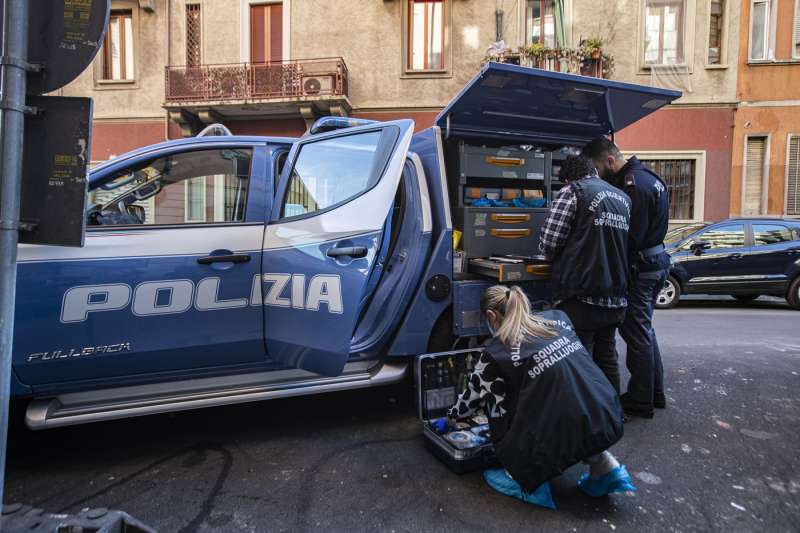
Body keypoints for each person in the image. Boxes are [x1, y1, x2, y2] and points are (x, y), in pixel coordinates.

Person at [441, 285, 636, 509]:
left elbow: (469, 401)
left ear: (491, 316)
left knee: (517, 411)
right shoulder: (558, 319)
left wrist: (450, 418)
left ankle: (527, 482)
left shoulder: (496, 353)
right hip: (606, 415)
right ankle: (606, 468)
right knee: (566, 399)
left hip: (562, 431)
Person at [583, 136, 670, 419]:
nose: (597, 174)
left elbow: (629, 237)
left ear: (609, 159)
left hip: (642, 267)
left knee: (635, 332)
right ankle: (654, 393)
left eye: (597, 167)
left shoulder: (634, 185)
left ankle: (640, 400)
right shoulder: (648, 176)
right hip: (656, 262)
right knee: (645, 331)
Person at [538, 154, 631, 394]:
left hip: (583, 292)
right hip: (616, 292)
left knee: (581, 357)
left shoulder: (573, 192)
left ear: (568, 178)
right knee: (607, 355)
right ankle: (611, 413)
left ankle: (585, 421)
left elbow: (549, 242)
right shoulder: (622, 197)